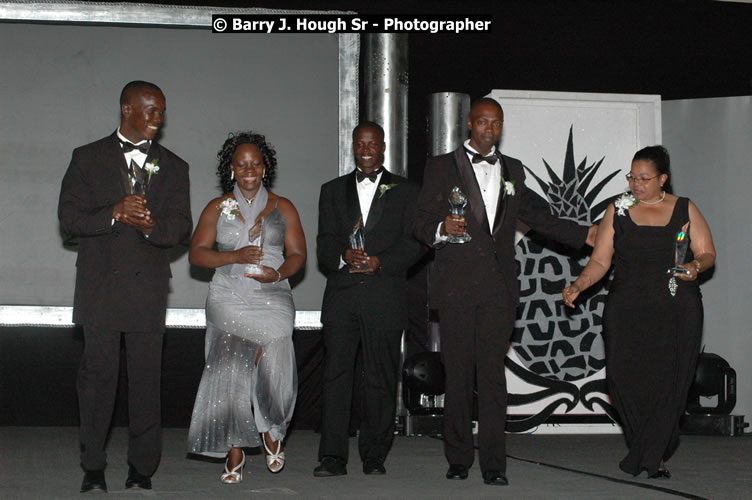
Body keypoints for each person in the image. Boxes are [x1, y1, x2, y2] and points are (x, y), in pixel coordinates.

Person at [413, 97, 596, 486]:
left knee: (493, 377)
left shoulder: (512, 170)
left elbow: (541, 217)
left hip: (499, 290)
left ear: (501, 127)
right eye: (482, 122)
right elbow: (420, 223)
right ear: (468, 124)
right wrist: (443, 228)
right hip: (457, 288)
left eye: (496, 124)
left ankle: (495, 465)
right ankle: (459, 458)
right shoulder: (442, 166)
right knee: (459, 375)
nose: (489, 130)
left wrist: (587, 235)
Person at [58, 81, 192, 493]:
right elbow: (69, 219)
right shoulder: (87, 157)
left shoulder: (173, 165)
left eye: (162, 112)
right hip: (99, 288)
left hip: (147, 289)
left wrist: (154, 228)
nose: (158, 118)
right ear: (126, 109)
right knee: (97, 383)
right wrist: (113, 212)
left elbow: (181, 227)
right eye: (151, 110)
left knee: (146, 383)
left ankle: (141, 469)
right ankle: (93, 467)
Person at [563, 145, 715, 478]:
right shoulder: (617, 209)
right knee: (622, 380)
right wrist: (579, 285)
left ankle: (652, 454)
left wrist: (695, 266)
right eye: (632, 177)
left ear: (663, 178)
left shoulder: (684, 208)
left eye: (645, 178)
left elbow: (707, 253)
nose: (636, 184)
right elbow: (601, 260)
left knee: (669, 382)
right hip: (627, 307)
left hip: (676, 307)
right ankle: (648, 445)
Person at [187, 132, 305, 483]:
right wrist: (233, 256)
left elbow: (298, 255)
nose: (249, 170)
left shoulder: (284, 207)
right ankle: (235, 449)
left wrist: (278, 273)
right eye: (241, 164)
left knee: (277, 343)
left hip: (272, 292)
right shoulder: (217, 207)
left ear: (265, 167)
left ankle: (271, 427)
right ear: (232, 169)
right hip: (228, 294)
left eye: (255, 163)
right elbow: (197, 254)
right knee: (230, 359)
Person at [314, 122, 425, 477]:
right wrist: (345, 255)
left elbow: (416, 243)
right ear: (353, 146)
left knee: (380, 377)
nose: (365, 149)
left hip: (385, 296)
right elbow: (323, 244)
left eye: (372, 143)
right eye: (359, 143)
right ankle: (332, 456)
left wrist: (381, 262)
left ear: (383, 147)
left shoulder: (408, 191)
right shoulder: (331, 191)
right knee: (336, 377)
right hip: (343, 297)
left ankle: (375, 454)